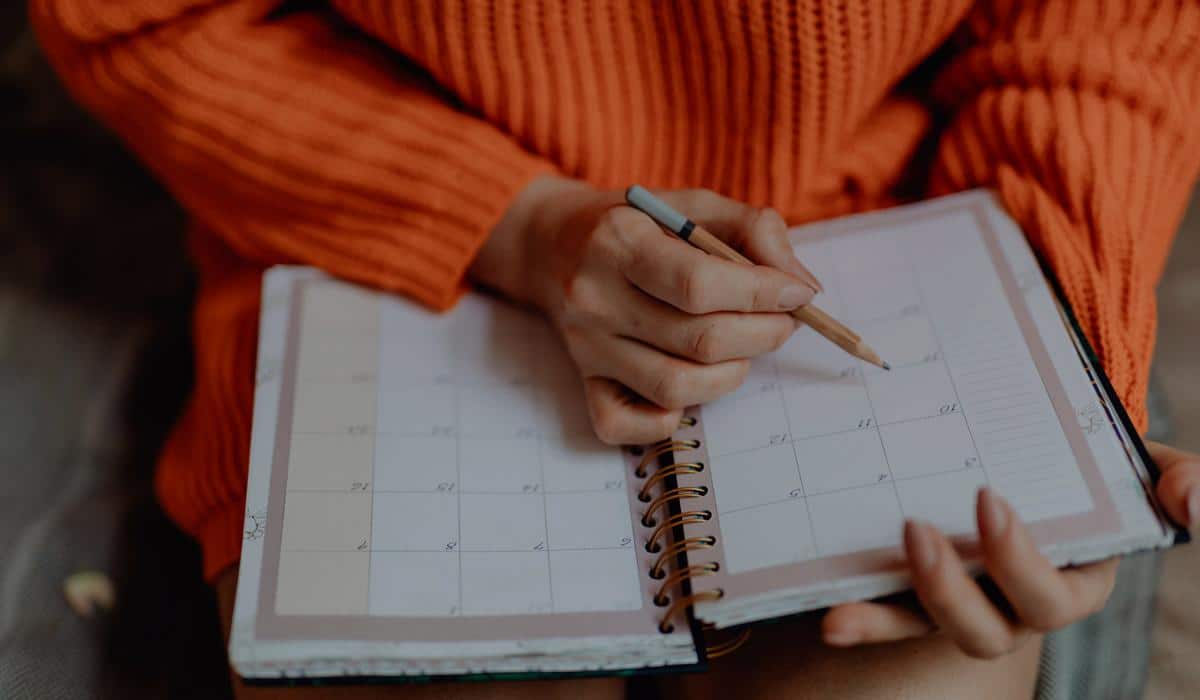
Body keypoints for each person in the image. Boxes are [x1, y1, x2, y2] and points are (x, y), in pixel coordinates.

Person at [31, 1, 1200, 697]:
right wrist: (515, 220)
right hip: (368, 236)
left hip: (889, 239)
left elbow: (1108, 37)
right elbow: (148, 17)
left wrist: (1057, 377)